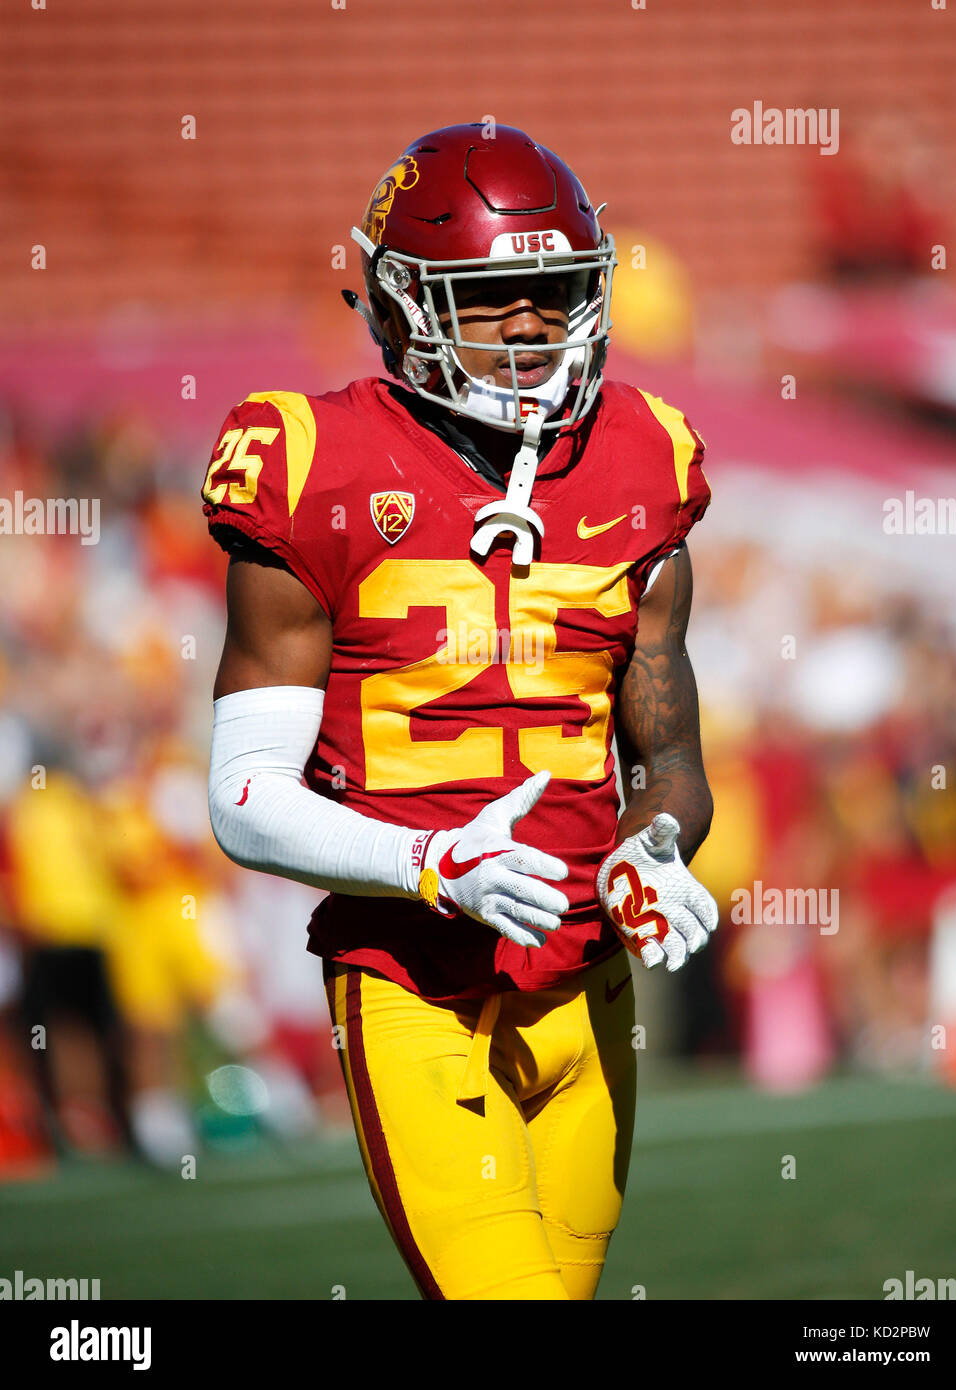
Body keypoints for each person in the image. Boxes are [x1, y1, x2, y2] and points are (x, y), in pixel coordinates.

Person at [202, 123, 718, 1301]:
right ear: (397, 307)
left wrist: (651, 848)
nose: (531, 324)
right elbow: (241, 799)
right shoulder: (310, 462)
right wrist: (432, 862)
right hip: (410, 980)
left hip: (586, 984)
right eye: (489, 298)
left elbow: (670, 755)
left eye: (553, 290)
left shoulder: (643, 458)